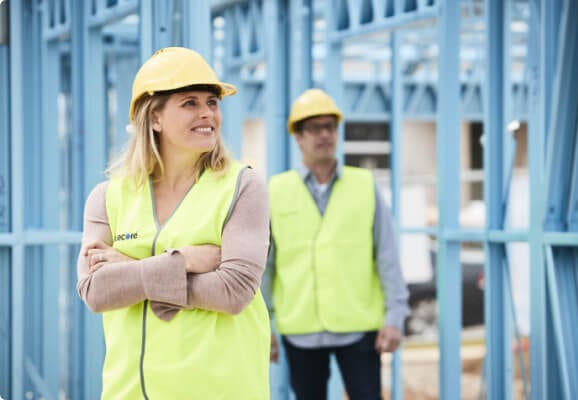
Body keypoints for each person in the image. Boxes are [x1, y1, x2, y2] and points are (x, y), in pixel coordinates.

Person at [77, 47, 270, 400]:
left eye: (212, 102)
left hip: (219, 390)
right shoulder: (107, 197)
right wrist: (185, 261)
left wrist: (133, 270)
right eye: (189, 103)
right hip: (130, 392)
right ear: (155, 118)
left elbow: (234, 292)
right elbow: (95, 291)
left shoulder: (243, 186)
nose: (207, 113)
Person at [263, 88, 410, 400]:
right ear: (298, 137)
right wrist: (264, 328)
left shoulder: (364, 185)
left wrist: (395, 317)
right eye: (315, 128)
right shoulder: (275, 190)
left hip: (358, 328)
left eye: (330, 126)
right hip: (299, 329)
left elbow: (387, 255)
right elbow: (265, 267)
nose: (325, 134)